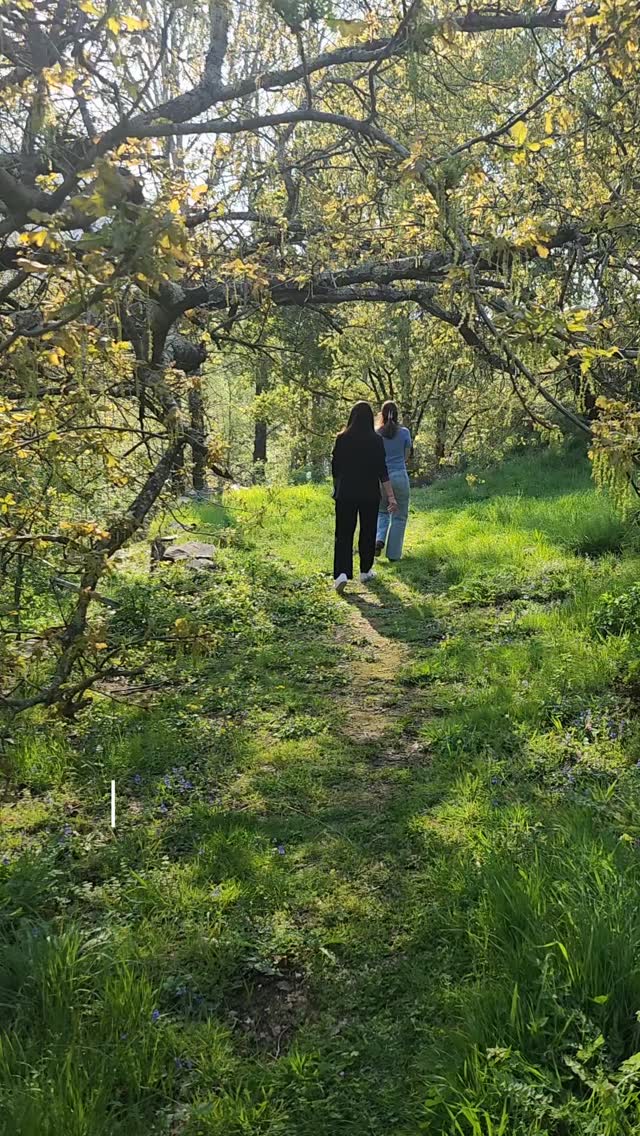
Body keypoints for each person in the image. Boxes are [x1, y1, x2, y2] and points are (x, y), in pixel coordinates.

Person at [331, 401, 399, 593]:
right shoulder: (376, 440)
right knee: (368, 531)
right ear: (370, 419)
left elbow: (335, 466)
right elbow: (382, 470)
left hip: (345, 493)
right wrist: (391, 496)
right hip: (369, 493)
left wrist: (337, 486)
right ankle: (365, 570)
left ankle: (341, 574)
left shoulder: (342, 439)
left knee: (343, 533)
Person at [375, 400, 412, 561]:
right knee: (399, 516)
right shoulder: (404, 433)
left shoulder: (376, 434)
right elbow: (406, 456)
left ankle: (378, 538)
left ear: (381, 415)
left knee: (381, 512)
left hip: (381, 478)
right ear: (397, 415)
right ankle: (394, 555)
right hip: (399, 476)